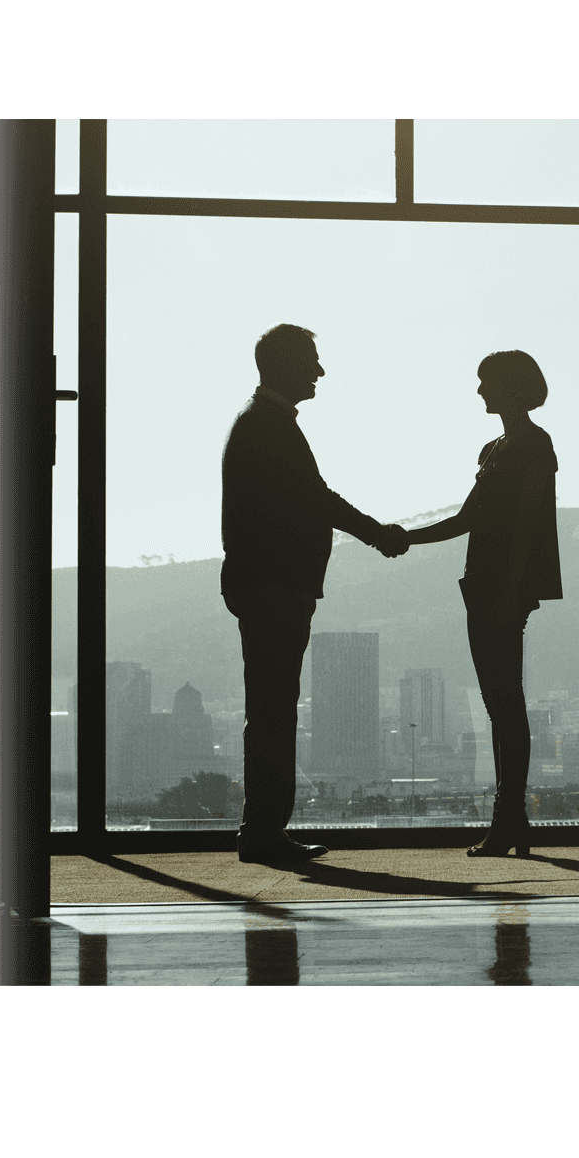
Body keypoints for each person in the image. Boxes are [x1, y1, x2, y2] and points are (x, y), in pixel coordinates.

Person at [221, 323, 408, 868]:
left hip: (267, 586)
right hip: (276, 587)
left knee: (271, 710)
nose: (320, 371)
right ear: (284, 365)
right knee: (274, 712)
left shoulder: (259, 423)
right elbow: (316, 499)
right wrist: (380, 534)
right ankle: (263, 832)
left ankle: (261, 829)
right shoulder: (269, 426)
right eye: (312, 361)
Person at [405, 350, 561, 857]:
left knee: (505, 705)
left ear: (512, 387)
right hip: (486, 587)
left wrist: (512, 591)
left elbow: (523, 528)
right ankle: (511, 821)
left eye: (485, 383)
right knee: (500, 704)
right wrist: (408, 537)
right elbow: (468, 519)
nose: (478, 392)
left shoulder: (534, 445)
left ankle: (509, 820)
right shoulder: (496, 448)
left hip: (500, 591)